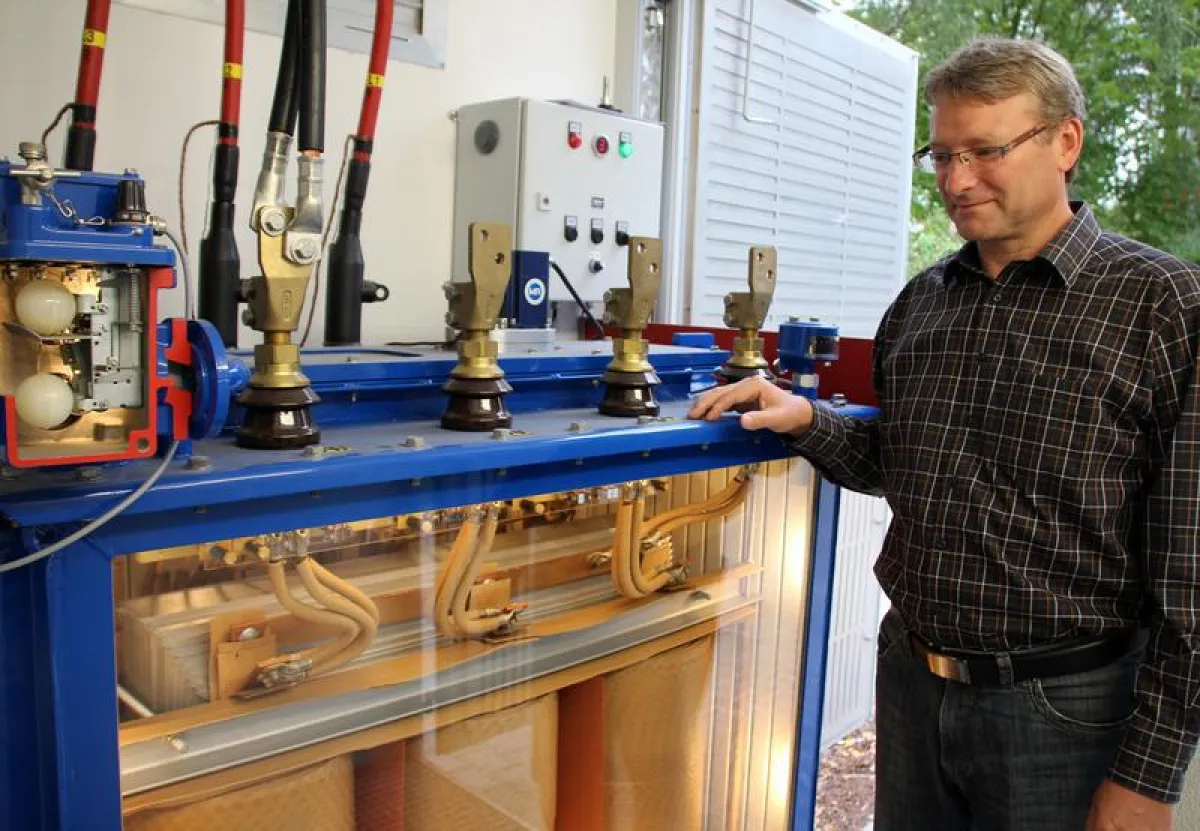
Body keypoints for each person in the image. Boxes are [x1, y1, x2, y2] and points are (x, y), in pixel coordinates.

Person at [689, 36, 1200, 831]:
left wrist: (1148, 775)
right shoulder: (922, 302)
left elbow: (1192, 570)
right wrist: (805, 419)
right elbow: (906, 464)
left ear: (1066, 141)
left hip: (1066, 711)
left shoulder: (1163, 306)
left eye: (986, 151)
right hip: (912, 685)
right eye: (942, 154)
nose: (957, 181)